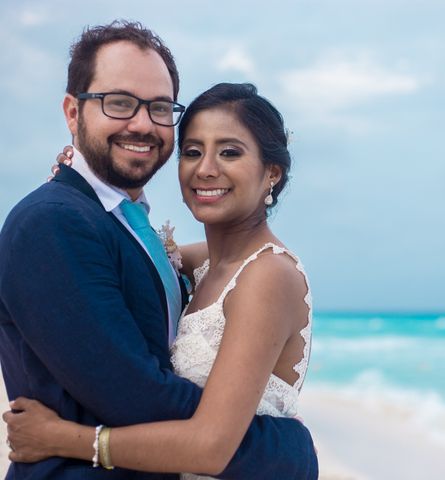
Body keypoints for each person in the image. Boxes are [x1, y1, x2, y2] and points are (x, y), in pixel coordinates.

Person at [0, 20, 317, 479]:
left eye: (159, 107)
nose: (142, 123)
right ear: (73, 113)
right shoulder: (52, 221)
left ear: (272, 172)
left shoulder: (144, 235)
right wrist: (282, 444)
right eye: (120, 102)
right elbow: (136, 397)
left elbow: (203, 263)